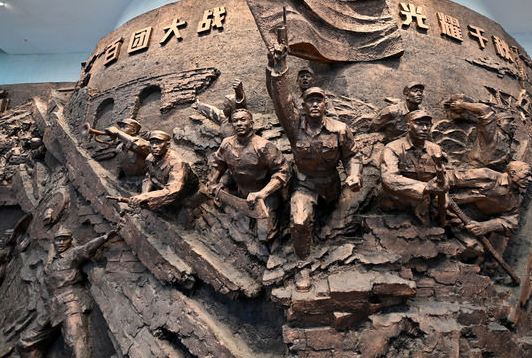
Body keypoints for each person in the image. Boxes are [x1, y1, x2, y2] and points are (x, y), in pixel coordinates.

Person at [266, 41, 362, 269]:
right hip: (304, 184)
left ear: (326, 105)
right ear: (303, 106)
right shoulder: (294, 126)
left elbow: (352, 156)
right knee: (299, 221)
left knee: (338, 219)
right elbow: (282, 101)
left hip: (331, 185)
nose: (315, 104)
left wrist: (354, 175)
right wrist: (279, 67)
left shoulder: (340, 129)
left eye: (319, 100)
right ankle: (304, 263)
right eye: (310, 101)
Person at [18, 226, 117, 358]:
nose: (60, 243)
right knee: (25, 342)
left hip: (71, 302)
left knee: (76, 345)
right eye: (58, 240)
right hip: (52, 306)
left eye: (64, 239)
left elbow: (87, 248)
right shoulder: (52, 262)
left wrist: (105, 237)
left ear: (70, 240)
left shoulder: (72, 255)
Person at [209, 108, 290, 243]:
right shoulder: (226, 144)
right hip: (240, 193)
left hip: (264, 196)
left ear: (251, 124)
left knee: (264, 236)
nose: (239, 124)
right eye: (235, 121)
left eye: (243, 120)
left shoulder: (263, 146)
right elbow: (218, 164)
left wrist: (262, 193)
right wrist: (213, 182)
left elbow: (282, 171)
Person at [380, 110, 450, 225]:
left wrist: (445, 195)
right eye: (419, 124)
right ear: (408, 127)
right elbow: (389, 179)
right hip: (400, 205)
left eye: (427, 125)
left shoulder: (435, 149)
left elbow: (443, 176)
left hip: (427, 203)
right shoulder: (393, 148)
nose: (425, 128)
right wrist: (426, 187)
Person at [449, 161, 531, 255]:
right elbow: (452, 177)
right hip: (451, 208)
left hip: (467, 224)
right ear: (513, 173)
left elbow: (511, 224)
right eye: (526, 175)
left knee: (476, 249)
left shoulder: (515, 199)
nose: (530, 179)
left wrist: (485, 226)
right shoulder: (488, 176)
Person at [111, 130, 199, 210]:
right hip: (162, 188)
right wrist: (143, 194)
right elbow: (149, 177)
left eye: (158, 143)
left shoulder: (177, 163)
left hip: (185, 194)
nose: (154, 146)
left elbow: (174, 190)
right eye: (152, 143)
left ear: (168, 145)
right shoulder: (150, 158)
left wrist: (146, 196)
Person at [446, 98, 515, 171]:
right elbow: (485, 110)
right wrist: (461, 105)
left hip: (492, 174)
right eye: (509, 121)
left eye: (514, 123)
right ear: (499, 122)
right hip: (475, 170)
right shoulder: (491, 134)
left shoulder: (506, 143)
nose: (513, 125)